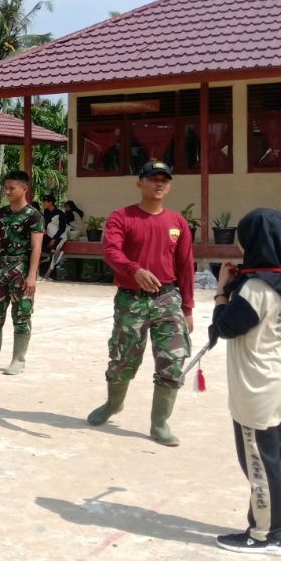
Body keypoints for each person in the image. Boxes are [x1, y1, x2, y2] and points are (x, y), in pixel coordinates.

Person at [209, 208, 281, 555]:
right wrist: (237, 281)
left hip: (259, 384)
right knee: (277, 453)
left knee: (258, 459)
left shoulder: (256, 289)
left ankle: (265, 535)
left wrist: (222, 291)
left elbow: (224, 327)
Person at [86, 159, 194, 446]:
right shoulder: (122, 217)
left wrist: (188, 309)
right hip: (131, 300)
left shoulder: (177, 223)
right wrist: (134, 270)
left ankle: (159, 423)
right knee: (123, 359)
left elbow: (186, 266)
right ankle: (113, 404)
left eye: (164, 180)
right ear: (139, 183)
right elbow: (111, 251)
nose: (159, 183)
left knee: (173, 360)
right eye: (153, 178)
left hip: (167, 299)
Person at [0, 170, 43, 375]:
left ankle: (18, 360)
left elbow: (36, 247)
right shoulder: (2, 214)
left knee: (21, 314)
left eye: (12, 188)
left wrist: (32, 275)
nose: (8, 191)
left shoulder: (34, 215)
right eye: (6, 188)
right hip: (2, 269)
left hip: (22, 269)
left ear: (24, 189)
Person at [40, 194, 69, 278]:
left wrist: (54, 239)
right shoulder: (46, 212)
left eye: (45, 201)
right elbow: (45, 223)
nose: (43, 203)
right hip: (48, 235)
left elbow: (62, 228)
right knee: (37, 244)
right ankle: (53, 251)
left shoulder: (60, 213)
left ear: (50, 202)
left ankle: (48, 275)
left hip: (59, 237)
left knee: (53, 255)